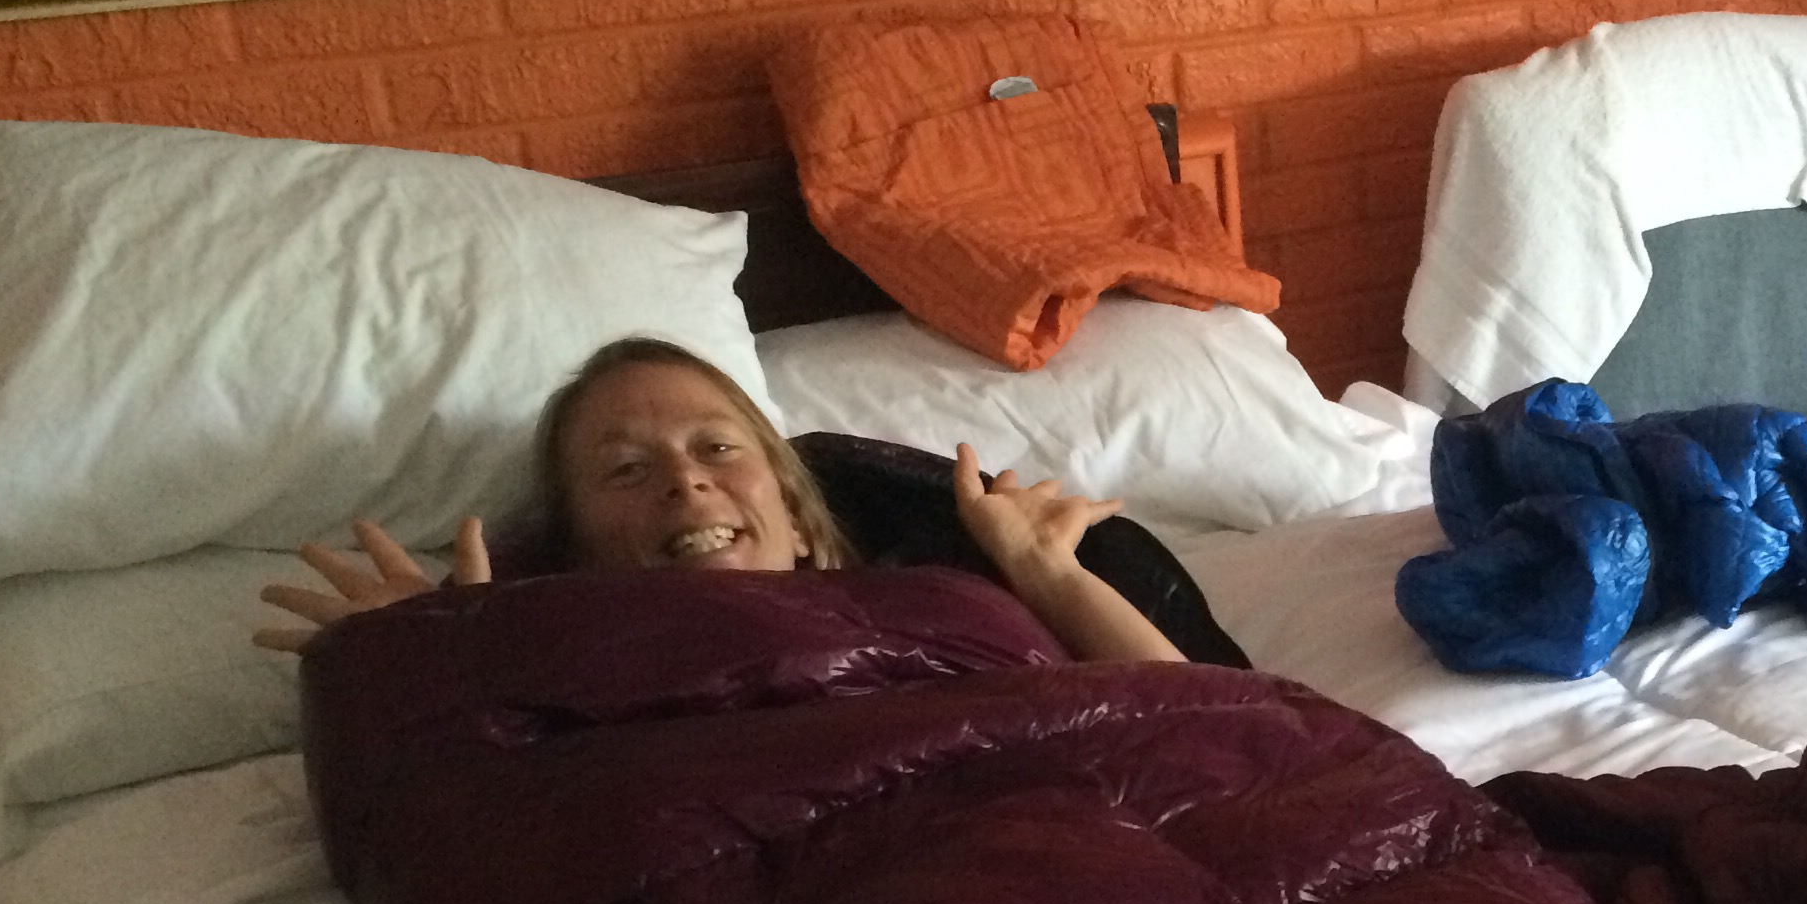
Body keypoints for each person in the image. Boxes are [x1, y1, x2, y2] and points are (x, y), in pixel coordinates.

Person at [254, 336, 1185, 665]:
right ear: (578, 556)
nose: (685, 480)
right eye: (626, 470)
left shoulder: (950, 605)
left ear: (801, 520)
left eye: (717, 448)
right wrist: (420, 658)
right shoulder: (572, 664)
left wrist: (1042, 569)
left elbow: (1210, 722)